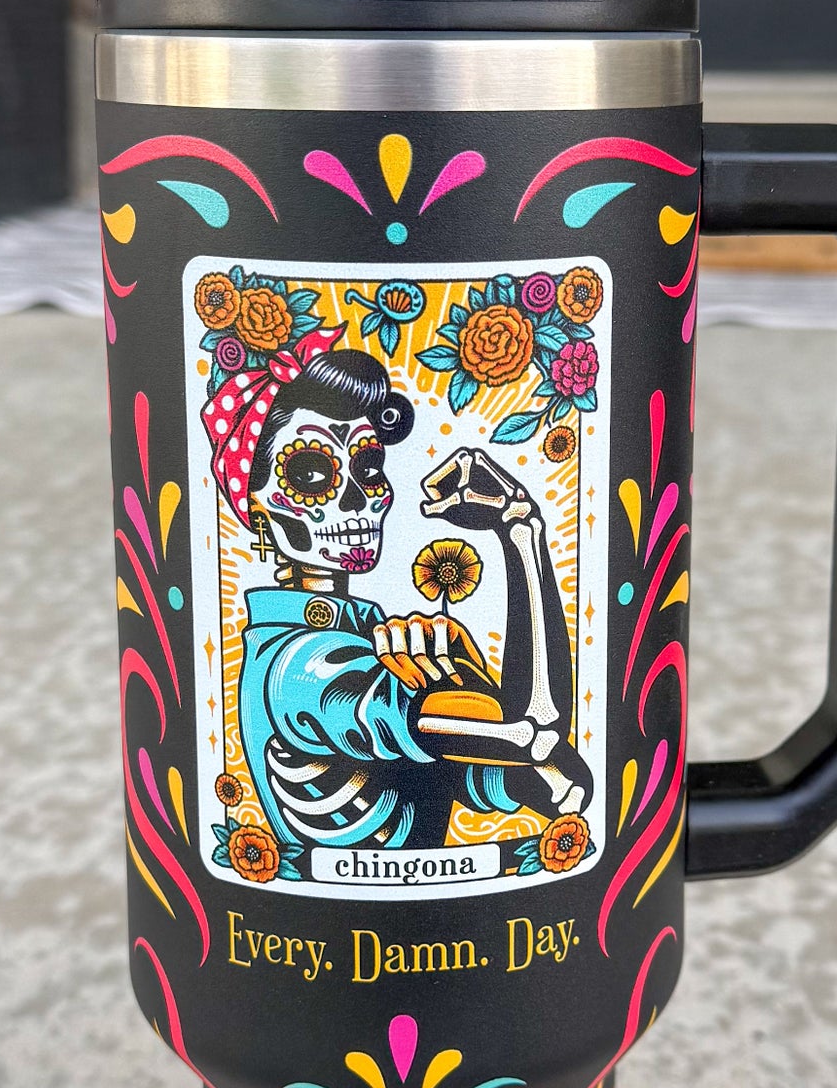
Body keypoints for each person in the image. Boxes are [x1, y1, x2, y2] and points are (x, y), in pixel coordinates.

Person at [203, 323, 592, 864]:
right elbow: (532, 733)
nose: (357, 499)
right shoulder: (292, 666)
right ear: (259, 504)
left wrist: (470, 685)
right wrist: (519, 527)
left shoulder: (370, 637)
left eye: (367, 466)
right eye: (311, 473)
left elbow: (553, 781)